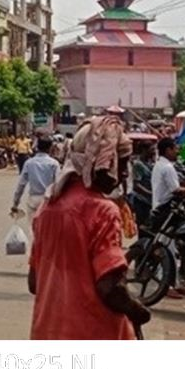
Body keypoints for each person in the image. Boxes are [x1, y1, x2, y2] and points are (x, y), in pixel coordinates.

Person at [28, 115, 151, 339]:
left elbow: (34, 283)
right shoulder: (103, 211)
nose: (124, 173)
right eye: (121, 164)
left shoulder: (46, 208)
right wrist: (138, 311)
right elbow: (109, 288)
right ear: (105, 163)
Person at [10, 135, 60, 234]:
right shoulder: (54, 164)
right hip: (49, 200)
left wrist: (15, 203)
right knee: (49, 232)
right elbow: (58, 183)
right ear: (50, 148)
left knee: (34, 231)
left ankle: (35, 247)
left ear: (37, 147)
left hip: (33, 200)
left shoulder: (29, 163)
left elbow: (21, 185)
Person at [149, 137, 185, 229]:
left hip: (159, 207)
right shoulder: (167, 167)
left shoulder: (159, 164)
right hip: (165, 210)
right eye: (175, 149)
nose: (177, 152)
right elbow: (177, 191)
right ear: (168, 150)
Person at [129, 140, 156, 227]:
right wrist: (150, 193)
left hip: (149, 201)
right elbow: (136, 185)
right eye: (151, 149)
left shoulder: (150, 163)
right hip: (141, 201)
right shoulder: (138, 165)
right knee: (142, 226)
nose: (153, 152)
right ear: (144, 150)